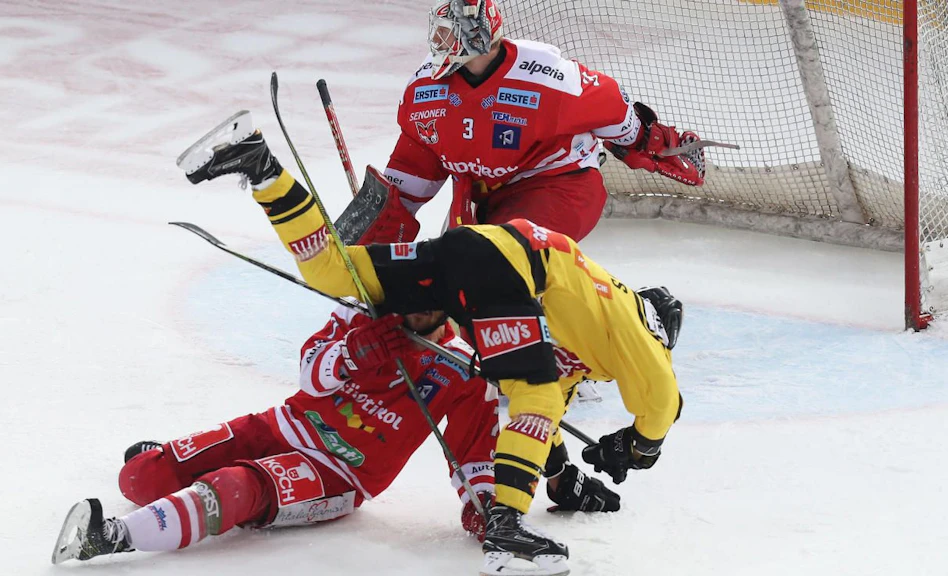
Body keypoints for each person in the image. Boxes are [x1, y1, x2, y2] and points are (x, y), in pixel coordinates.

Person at [177, 112, 683, 576]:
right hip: (510, 265)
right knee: (537, 394)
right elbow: (661, 405)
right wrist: (635, 447)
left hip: (472, 250)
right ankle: (506, 531)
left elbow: (540, 431)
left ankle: (261, 166)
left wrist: (565, 480)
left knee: (336, 271)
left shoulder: (585, 344)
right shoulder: (640, 332)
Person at [52, 308, 619, 565]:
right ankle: (175, 489)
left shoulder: (464, 370)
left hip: (336, 474)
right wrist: (356, 351)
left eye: (429, 297)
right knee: (140, 475)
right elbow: (307, 371)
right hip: (280, 426)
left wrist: (491, 513)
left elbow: (473, 459)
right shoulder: (364, 315)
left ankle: (110, 539)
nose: (412, 308)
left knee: (233, 485)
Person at [377, 0, 705, 244]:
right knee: (448, 269)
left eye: (447, 35)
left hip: (557, 185)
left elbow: (614, 111)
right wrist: (383, 216)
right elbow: (415, 162)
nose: (438, 43)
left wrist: (653, 144)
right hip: (480, 194)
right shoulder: (425, 89)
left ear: (476, 37)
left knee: (495, 262)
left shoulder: (547, 76)